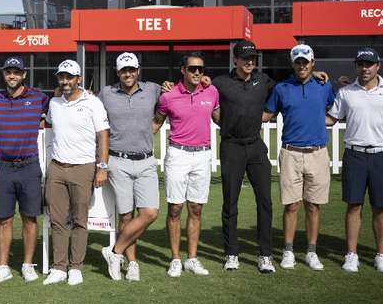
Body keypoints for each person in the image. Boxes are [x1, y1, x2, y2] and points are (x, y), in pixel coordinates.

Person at [326, 48, 383, 274]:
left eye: (369, 64)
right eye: (361, 64)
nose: (365, 68)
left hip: (382, 155)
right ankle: (351, 255)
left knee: (380, 207)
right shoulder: (346, 92)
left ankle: (381, 255)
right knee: (354, 205)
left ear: (378, 66)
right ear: (356, 66)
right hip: (355, 154)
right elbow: (332, 118)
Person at [263, 44, 336, 271]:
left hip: (317, 152)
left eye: (306, 62)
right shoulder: (282, 88)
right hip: (291, 153)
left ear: (313, 63)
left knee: (313, 205)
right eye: (298, 62)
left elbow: (334, 113)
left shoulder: (324, 86)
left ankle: (311, 252)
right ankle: (288, 250)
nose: (302, 65)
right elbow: (267, 114)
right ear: (293, 64)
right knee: (292, 205)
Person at [43, 59, 110, 286]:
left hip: (83, 167)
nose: (65, 81)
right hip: (57, 167)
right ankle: (59, 267)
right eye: (62, 77)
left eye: (70, 77)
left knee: (80, 220)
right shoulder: (54, 102)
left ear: (78, 78)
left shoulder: (93, 102)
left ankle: (76, 267)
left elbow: (103, 135)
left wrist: (102, 167)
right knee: (57, 220)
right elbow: (50, 128)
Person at [212, 40, 276, 274]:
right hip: (232, 147)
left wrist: (323, 75)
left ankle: (265, 255)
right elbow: (199, 90)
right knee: (230, 202)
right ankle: (231, 253)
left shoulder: (263, 81)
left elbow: (286, 89)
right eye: (245, 58)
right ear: (235, 60)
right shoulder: (220, 83)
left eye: (253, 58)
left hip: (256, 146)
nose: (250, 62)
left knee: (265, 202)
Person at [154, 52, 220, 278]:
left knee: (196, 208)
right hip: (178, 155)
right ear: (183, 70)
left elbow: (220, 116)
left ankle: (191, 259)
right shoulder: (168, 95)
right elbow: (155, 123)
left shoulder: (211, 91)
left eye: (200, 69)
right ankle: (175, 259)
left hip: (202, 155)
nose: (197, 73)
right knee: (175, 208)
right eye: (192, 68)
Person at [0, 56, 50, 284]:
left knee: (29, 218)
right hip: (3, 167)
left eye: (16, 72)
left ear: (24, 75)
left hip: (29, 166)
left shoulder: (38, 98)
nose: (12, 76)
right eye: (8, 72)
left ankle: (27, 265)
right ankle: (2, 266)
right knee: (3, 219)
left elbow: (58, 111)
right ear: (4, 75)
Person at [99, 52, 161, 282]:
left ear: (138, 70)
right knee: (126, 216)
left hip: (145, 161)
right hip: (118, 160)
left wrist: (202, 80)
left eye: (132, 69)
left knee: (149, 213)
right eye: (124, 70)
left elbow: (173, 97)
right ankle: (132, 263)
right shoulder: (106, 93)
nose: (128, 74)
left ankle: (114, 252)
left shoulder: (153, 89)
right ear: (117, 72)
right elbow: (88, 107)